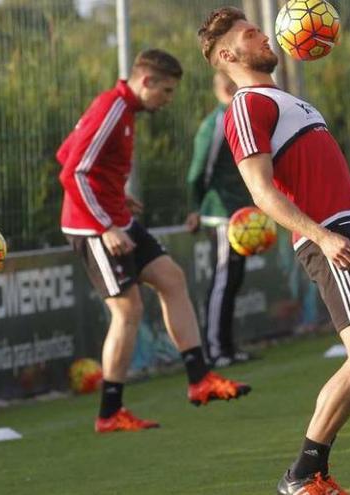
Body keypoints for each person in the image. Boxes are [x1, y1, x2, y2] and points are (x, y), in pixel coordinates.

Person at [198, 8, 350, 493]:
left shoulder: (290, 101)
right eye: (250, 34)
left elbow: (323, 180)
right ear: (228, 55)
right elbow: (262, 191)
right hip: (330, 239)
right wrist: (322, 236)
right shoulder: (246, 105)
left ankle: (309, 473)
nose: (263, 36)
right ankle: (303, 475)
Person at [57, 49, 251, 434]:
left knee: (172, 278)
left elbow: (67, 151)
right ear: (145, 81)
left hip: (116, 216)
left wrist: (116, 193)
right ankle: (110, 412)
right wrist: (104, 225)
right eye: (166, 90)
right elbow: (73, 172)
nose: (168, 99)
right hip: (92, 225)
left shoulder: (122, 110)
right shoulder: (112, 109)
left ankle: (200, 380)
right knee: (128, 310)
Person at [185, 72, 255, 368]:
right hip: (222, 214)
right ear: (229, 87)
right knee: (224, 278)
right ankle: (214, 350)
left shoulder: (243, 117)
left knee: (234, 278)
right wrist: (195, 208)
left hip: (243, 213)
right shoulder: (216, 123)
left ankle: (227, 346)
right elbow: (198, 172)